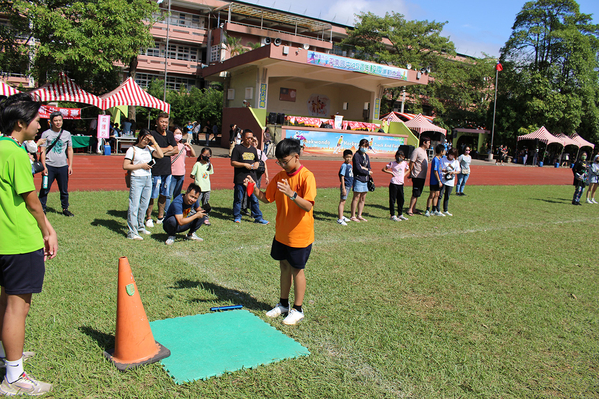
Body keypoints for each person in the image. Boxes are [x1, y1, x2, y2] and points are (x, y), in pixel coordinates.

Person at [0, 93, 58, 395]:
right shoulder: (15, 154)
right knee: (17, 308)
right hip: (19, 241)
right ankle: (14, 374)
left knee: (5, 303)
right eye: (36, 120)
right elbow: (32, 200)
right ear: (21, 122)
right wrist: (48, 230)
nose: (40, 125)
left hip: (3, 241)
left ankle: (7, 354)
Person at [245, 138, 316, 325]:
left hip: (300, 235)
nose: (282, 165)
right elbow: (267, 198)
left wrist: (292, 194)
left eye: (285, 161)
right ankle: (283, 304)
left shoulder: (307, 176)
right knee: (284, 266)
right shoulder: (280, 176)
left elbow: (308, 206)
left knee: (297, 270)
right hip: (282, 233)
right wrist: (252, 187)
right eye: (280, 162)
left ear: (296, 157)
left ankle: (298, 309)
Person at [123, 129, 164, 240]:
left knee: (144, 204)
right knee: (134, 205)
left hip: (148, 178)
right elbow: (125, 165)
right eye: (145, 139)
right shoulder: (132, 150)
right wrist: (141, 166)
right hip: (137, 178)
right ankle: (132, 232)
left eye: (148, 139)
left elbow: (160, 155)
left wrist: (154, 141)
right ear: (139, 137)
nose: (146, 141)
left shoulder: (149, 148)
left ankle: (140, 226)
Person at [38, 111, 75, 217]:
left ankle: (65, 208)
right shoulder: (46, 134)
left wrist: (70, 165)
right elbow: (43, 150)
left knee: (64, 189)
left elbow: (69, 149)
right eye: (55, 121)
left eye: (60, 120)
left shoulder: (67, 134)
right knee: (45, 188)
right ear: (51, 122)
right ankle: (42, 208)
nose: (58, 123)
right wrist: (44, 166)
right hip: (49, 166)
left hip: (63, 166)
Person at [145, 113, 178, 228]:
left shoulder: (169, 134)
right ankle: (148, 217)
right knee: (152, 195)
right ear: (157, 122)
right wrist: (167, 149)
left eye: (166, 122)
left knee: (164, 194)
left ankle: (160, 217)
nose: (164, 124)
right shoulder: (152, 134)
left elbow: (175, 150)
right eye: (162, 121)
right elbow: (151, 150)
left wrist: (160, 152)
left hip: (167, 171)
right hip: (155, 170)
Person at [230, 129, 269, 224]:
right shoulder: (237, 148)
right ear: (243, 137)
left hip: (251, 179)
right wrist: (244, 165)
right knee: (238, 198)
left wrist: (256, 164)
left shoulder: (253, 149)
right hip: (240, 179)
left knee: (254, 199)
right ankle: (237, 216)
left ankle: (258, 217)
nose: (250, 140)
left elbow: (257, 160)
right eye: (248, 138)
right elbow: (233, 162)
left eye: (251, 138)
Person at [166, 126, 196, 213]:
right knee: (168, 195)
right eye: (177, 133)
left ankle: (175, 210)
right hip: (172, 173)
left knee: (177, 195)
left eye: (180, 133)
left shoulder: (183, 146)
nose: (179, 135)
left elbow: (193, 154)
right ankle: (167, 211)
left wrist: (189, 146)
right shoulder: (170, 146)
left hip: (181, 173)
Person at [241, 137, 270, 215]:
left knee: (255, 192)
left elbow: (265, 165)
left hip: (258, 175)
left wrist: (266, 176)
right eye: (252, 141)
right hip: (249, 174)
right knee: (247, 191)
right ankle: (244, 207)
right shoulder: (247, 151)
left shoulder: (261, 153)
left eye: (255, 141)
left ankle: (253, 210)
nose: (254, 142)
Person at [382, 149, 410, 221]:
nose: (399, 158)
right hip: (394, 183)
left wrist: (404, 175)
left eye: (400, 156)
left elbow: (408, 169)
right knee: (392, 199)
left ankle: (400, 214)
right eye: (397, 156)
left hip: (401, 184)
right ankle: (393, 215)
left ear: (403, 157)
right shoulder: (392, 163)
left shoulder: (404, 163)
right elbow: (384, 169)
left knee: (401, 199)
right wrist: (391, 173)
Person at [406, 136, 431, 216]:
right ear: (424, 142)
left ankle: (414, 208)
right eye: (429, 142)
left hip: (422, 176)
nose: (429, 144)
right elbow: (412, 162)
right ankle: (410, 209)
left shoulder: (424, 151)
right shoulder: (417, 151)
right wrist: (411, 172)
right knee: (415, 193)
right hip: (417, 175)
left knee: (418, 193)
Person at [350, 138, 372, 222]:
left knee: (363, 198)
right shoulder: (356, 155)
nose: (364, 147)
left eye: (366, 146)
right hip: (358, 178)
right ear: (359, 146)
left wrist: (366, 169)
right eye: (363, 146)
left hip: (365, 180)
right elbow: (357, 168)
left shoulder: (366, 156)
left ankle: (359, 215)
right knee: (356, 197)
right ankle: (353, 216)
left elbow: (369, 167)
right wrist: (366, 171)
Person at [190, 148, 214, 225]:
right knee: (196, 203)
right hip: (199, 188)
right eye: (204, 154)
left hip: (207, 188)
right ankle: (193, 216)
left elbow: (209, 174)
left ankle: (205, 217)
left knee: (205, 204)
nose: (206, 156)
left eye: (208, 155)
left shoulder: (209, 165)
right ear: (201, 155)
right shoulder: (197, 164)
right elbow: (192, 175)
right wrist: (196, 178)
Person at [425, 144, 445, 217]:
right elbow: (435, 171)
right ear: (441, 151)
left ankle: (434, 210)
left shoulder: (440, 159)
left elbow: (439, 169)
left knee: (437, 195)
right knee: (432, 195)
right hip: (434, 181)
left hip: (439, 180)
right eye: (444, 150)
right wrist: (439, 181)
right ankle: (427, 210)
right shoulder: (435, 159)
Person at [438, 148, 460, 216]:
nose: (451, 156)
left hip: (451, 181)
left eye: (453, 155)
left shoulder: (456, 162)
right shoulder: (443, 159)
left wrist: (454, 172)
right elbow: (439, 168)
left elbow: (458, 171)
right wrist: (443, 170)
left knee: (447, 196)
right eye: (450, 154)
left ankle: (445, 210)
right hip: (443, 179)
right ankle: (437, 209)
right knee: (440, 195)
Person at [337, 149, 353, 226]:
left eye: (350, 157)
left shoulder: (350, 165)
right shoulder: (344, 166)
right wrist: (343, 188)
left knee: (344, 201)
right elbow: (342, 176)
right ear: (344, 157)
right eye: (347, 157)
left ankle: (342, 216)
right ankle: (340, 219)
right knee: (342, 201)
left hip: (349, 185)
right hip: (345, 185)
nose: (349, 159)